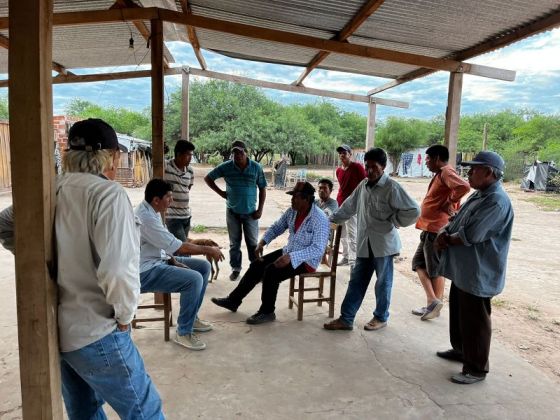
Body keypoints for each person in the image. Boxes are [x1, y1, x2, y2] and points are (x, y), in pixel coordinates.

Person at [2, 119, 165, 418]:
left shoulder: (51, 189)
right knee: (145, 411)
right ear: (112, 157)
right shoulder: (108, 195)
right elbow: (118, 271)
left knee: (85, 413)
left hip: (61, 332)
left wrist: (39, 265)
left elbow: (5, 224)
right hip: (97, 330)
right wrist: (126, 316)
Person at [435, 151, 513, 385]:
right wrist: (444, 231)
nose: (469, 172)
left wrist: (446, 239)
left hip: (479, 272)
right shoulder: (481, 194)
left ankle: (476, 368)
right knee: (460, 314)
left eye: (475, 169)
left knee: (475, 320)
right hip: (465, 270)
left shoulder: (496, 201)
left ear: (489, 173)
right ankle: (461, 351)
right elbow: (458, 220)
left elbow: (473, 234)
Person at [324, 148, 420, 332]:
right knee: (356, 282)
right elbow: (348, 207)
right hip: (364, 245)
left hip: (383, 246)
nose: (369, 171)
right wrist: (330, 220)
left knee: (383, 283)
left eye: (374, 167)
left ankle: (380, 317)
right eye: (367, 166)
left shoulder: (392, 187)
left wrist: (396, 220)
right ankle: (346, 319)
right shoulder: (363, 186)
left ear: (383, 167)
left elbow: (414, 211)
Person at [211, 181, 330, 325]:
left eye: (295, 197)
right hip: (289, 251)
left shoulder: (319, 218)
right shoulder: (292, 211)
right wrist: (263, 242)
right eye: (292, 196)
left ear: (306, 199)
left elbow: (318, 249)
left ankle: (267, 311)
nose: (292, 199)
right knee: (257, 265)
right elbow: (277, 227)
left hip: (306, 261)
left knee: (271, 272)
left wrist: (291, 257)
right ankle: (233, 301)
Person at [136, 178, 224, 351]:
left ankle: (191, 318)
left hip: (158, 261)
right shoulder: (146, 217)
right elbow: (179, 246)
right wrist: (208, 249)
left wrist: (173, 260)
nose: (172, 200)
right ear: (156, 199)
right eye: (169, 197)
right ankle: (183, 332)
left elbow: (165, 245)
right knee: (194, 279)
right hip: (145, 271)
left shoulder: (152, 210)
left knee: (204, 267)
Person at [411, 145, 470, 320]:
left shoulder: (445, 171)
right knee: (419, 263)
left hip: (436, 228)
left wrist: (449, 201)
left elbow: (464, 186)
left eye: (428, 159)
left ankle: (434, 304)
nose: (426, 163)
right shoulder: (441, 174)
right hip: (429, 227)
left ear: (437, 158)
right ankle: (433, 302)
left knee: (434, 269)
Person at [204, 140, 267, 281]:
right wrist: (221, 193)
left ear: (246, 152)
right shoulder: (226, 167)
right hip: (232, 211)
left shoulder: (256, 167)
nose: (237, 155)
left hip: (251, 212)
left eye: (240, 152)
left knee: (252, 243)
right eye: (235, 153)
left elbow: (262, 188)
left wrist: (260, 209)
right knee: (234, 243)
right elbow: (208, 178)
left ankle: (256, 270)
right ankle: (236, 269)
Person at [335, 144, 367, 266]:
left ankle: (354, 260)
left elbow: (365, 184)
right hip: (340, 204)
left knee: (352, 233)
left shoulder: (357, 167)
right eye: (340, 153)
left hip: (353, 206)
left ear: (350, 154)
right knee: (341, 233)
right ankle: (346, 257)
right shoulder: (338, 171)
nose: (342, 155)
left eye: (344, 153)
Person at [164, 139, 195, 241]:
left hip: (186, 215)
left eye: (191, 155)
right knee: (183, 248)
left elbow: (187, 188)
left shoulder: (190, 170)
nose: (190, 158)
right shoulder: (166, 166)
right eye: (188, 155)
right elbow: (155, 162)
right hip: (172, 217)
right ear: (179, 154)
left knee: (180, 249)